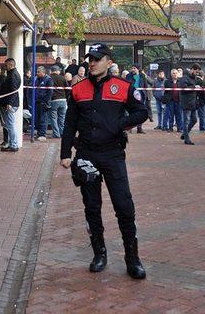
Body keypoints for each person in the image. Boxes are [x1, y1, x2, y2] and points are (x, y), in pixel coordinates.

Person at [60, 43, 148, 279]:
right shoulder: (78, 89)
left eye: (97, 59)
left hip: (113, 154)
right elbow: (69, 124)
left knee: (124, 206)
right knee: (92, 207)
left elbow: (142, 112)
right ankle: (99, 254)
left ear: (109, 62)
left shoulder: (124, 87)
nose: (92, 62)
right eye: (90, 58)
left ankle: (133, 259)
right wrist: (65, 153)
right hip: (86, 155)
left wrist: (119, 126)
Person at [1, 58, 21, 151]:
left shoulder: (13, 75)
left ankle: (13, 144)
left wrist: (9, 102)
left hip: (10, 103)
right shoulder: (13, 74)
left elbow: (13, 90)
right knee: (9, 125)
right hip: (11, 103)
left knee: (10, 125)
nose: (5, 67)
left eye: (6, 65)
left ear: (10, 65)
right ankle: (11, 143)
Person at [180, 65, 202, 145]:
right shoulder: (184, 78)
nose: (197, 73)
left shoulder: (195, 78)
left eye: (198, 72)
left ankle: (185, 134)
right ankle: (187, 139)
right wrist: (194, 87)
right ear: (192, 69)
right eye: (196, 71)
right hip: (186, 102)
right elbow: (183, 88)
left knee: (194, 120)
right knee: (186, 121)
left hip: (193, 103)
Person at [126, 64, 147, 134]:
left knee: (141, 111)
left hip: (141, 95)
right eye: (132, 68)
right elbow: (127, 84)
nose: (133, 69)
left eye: (134, 68)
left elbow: (146, 85)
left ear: (138, 69)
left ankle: (139, 128)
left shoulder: (142, 76)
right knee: (131, 111)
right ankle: (130, 127)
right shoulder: (128, 76)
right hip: (131, 95)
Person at [34, 66, 53, 141]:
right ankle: (39, 133)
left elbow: (50, 92)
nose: (37, 73)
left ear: (43, 72)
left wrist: (46, 101)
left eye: (38, 71)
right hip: (37, 102)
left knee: (43, 119)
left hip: (43, 102)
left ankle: (42, 134)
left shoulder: (48, 79)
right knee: (37, 119)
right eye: (37, 71)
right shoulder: (37, 79)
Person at [49, 65, 68, 138]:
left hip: (54, 100)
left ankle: (56, 134)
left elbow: (49, 90)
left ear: (52, 71)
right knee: (62, 117)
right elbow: (67, 88)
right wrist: (66, 98)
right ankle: (62, 132)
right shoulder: (63, 78)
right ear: (57, 71)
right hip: (63, 100)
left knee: (53, 118)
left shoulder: (50, 79)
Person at [162, 68, 183, 133]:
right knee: (171, 115)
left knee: (179, 115)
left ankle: (179, 128)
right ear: (171, 74)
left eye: (176, 73)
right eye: (173, 73)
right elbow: (165, 91)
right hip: (170, 101)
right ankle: (170, 128)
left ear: (178, 74)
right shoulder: (167, 82)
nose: (175, 74)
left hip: (179, 101)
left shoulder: (181, 81)